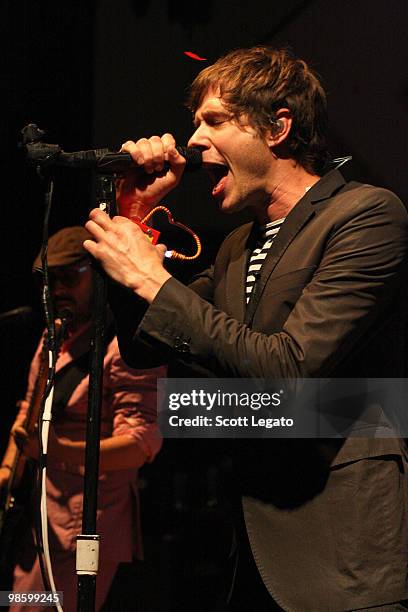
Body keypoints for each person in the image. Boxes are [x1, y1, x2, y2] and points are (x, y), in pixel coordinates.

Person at [83, 47, 408, 611]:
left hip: (340, 553)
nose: (192, 141)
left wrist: (155, 281)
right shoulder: (239, 244)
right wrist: (133, 219)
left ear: (278, 127)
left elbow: (289, 370)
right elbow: (142, 352)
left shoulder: (366, 214)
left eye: (213, 121)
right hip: (250, 547)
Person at [0, 226, 164, 611]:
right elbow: (29, 409)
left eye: (69, 276)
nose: (57, 289)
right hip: (40, 518)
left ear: (99, 272)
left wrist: (57, 449)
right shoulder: (53, 337)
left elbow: (141, 444)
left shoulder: (125, 347)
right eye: (50, 278)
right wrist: (8, 472)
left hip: (83, 529)